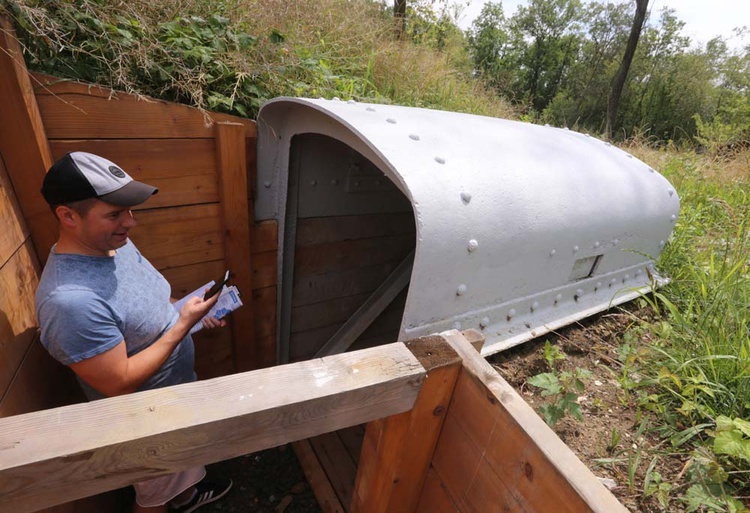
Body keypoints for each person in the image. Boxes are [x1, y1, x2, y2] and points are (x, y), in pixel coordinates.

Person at [34, 152, 233, 513]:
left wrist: (185, 308)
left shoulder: (111, 243)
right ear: (68, 216)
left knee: (178, 469)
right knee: (153, 494)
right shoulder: (70, 303)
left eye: (128, 210)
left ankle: (186, 497)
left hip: (173, 395)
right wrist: (183, 324)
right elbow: (118, 381)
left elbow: (147, 301)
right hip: (145, 421)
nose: (131, 222)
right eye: (114, 213)